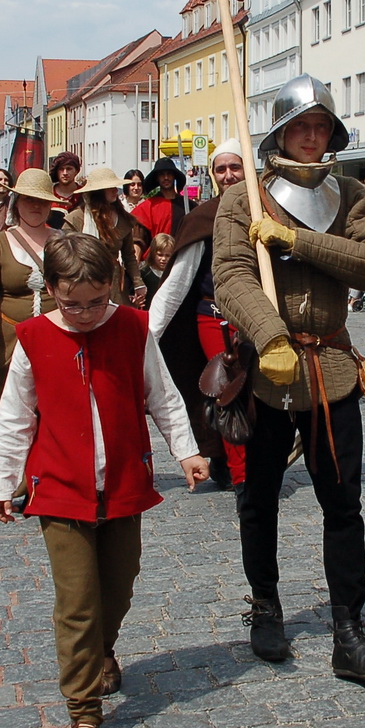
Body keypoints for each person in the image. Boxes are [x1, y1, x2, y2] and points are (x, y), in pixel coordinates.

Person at [0, 233, 210, 728]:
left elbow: (163, 394)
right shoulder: (35, 337)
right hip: (60, 489)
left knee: (119, 584)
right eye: (72, 304)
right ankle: (83, 714)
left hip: (124, 484)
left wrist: (187, 451)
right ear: (52, 291)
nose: (85, 313)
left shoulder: (134, 328)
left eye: (95, 301)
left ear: (110, 285)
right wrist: (2, 481)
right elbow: (15, 417)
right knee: (78, 603)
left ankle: (103, 650)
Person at [212, 75, 365, 679]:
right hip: (267, 370)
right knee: (259, 496)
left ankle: (348, 627)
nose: (311, 138)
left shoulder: (352, 198)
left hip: (332, 367)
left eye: (320, 128)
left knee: (343, 502)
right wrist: (267, 336)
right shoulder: (244, 199)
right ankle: (266, 604)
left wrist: (297, 239)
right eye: (301, 127)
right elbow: (233, 277)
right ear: (281, 132)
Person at [149, 140, 247, 492]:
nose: (228, 175)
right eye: (221, 169)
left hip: (258, 319)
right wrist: (146, 334)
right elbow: (178, 280)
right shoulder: (204, 218)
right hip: (215, 317)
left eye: (235, 167)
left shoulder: (267, 211)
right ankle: (240, 474)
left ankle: (239, 461)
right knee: (227, 391)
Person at [0, 169, 58, 501]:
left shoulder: (61, 241)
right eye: (30, 201)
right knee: (4, 409)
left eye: (42, 202)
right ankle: (2, 484)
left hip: (53, 340)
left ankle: (45, 480)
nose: (36, 208)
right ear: (18, 203)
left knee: (50, 410)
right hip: (9, 340)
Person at [67, 167, 146, 306]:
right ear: (98, 191)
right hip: (83, 280)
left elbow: (129, 256)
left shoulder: (123, 219)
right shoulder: (78, 218)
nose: (115, 190)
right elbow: (65, 253)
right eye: (110, 188)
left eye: (115, 187)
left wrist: (138, 282)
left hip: (113, 282)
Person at [132, 157, 191, 243]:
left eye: (169, 174)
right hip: (157, 255)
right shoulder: (148, 207)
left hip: (183, 255)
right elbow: (138, 240)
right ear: (157, 178)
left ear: (174, 176)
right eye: (162, 174)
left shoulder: (188, 206)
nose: (166, 177)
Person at [48, 152, 84, 229]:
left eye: (69, 169)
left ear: (76, 171)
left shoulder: (84, 195)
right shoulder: (48, 193)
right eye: (61, 169)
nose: (65, 173)